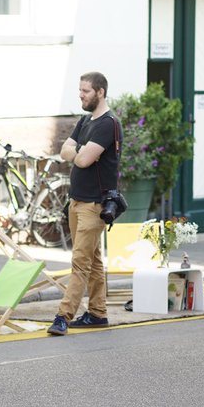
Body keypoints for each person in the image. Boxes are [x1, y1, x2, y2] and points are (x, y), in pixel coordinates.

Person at [48, 71, 121, 336]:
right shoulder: (85, 120)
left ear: (100, 92)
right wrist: (78, 152)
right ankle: (98, 313)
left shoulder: (108, 124)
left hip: (94, 204)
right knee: (94, 260)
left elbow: (82, 160)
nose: (81, 95)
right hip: (76, 202)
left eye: (86, 91)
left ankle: (63, 316)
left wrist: (77, 152)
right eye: (80, 90)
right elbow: (64, 151)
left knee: (80, 261)